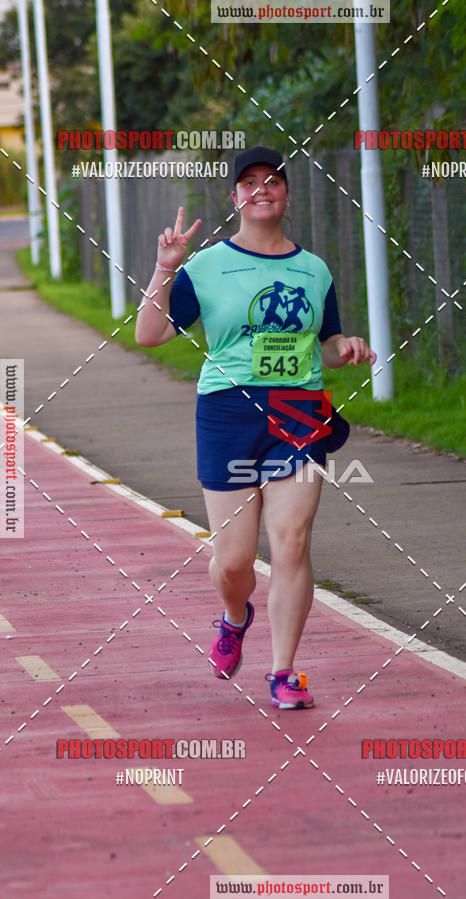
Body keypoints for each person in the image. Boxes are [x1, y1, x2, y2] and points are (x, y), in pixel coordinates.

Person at [136, 146, 375, 710]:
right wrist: (166, 268)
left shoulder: (313, 269)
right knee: (235, 561)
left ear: (287, 194)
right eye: (248, 183)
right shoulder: (208, 266)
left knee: (291, 541)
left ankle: (284, 672)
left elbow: (329, 342)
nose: (261, 189)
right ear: (234, 198)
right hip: (227, 412)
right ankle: (234, 615)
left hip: (298, 411)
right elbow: (149, 335)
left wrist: (349, 348)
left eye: (272, 181)